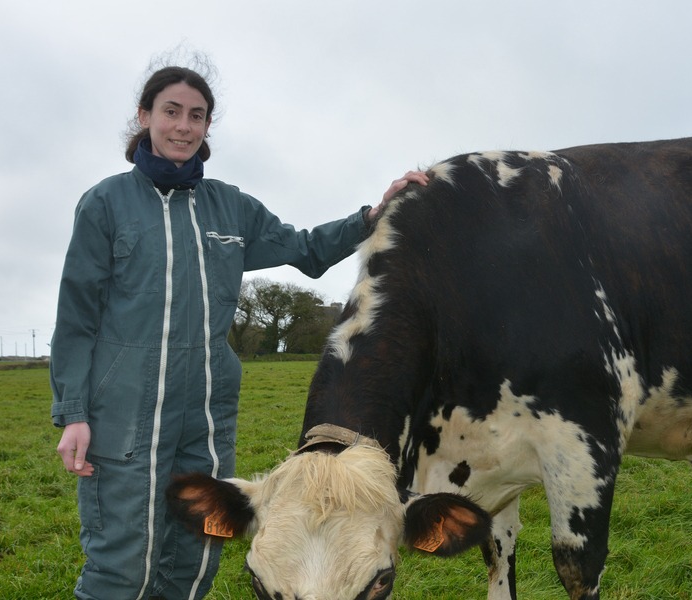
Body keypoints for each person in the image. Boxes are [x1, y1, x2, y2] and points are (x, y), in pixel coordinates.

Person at [50, 61, 427, 600]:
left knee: (194, 559)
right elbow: (76, 319)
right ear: (145, 116)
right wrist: (74, 415)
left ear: (207, 127)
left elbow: (306, 250)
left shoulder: (230, 207)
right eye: (171, 112)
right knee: (122, 564)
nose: (183, 126)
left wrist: (372, 214)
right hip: (125, 419)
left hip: (205, 418)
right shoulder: (106, 204)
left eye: (196, 116)